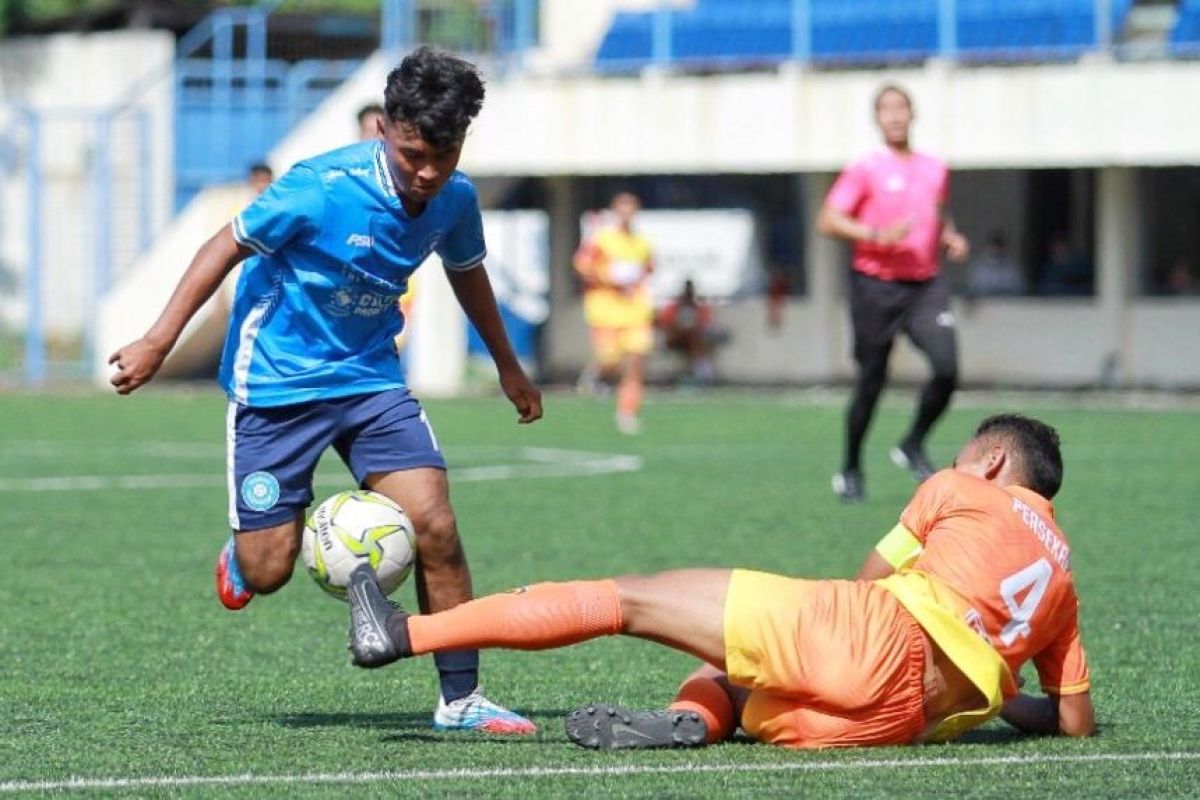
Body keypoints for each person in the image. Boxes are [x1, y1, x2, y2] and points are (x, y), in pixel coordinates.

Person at [108, 47, 543, 735]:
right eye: (411, 155)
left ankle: (460, 698)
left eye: (445, 154)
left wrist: (507, 366)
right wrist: (158, 341)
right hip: (276, 384)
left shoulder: (454, 201)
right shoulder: (319, 186)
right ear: (385, 131)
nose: (427, 173)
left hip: (370, 379)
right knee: (270, 567)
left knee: (436, 525)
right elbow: (224, 245)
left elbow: (469, 272)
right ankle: (245, 556)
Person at [346, 414, 1094, 750]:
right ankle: (696, 723)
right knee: (729, 673)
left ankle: (406, 632)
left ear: (992, 463)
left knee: (630, 597)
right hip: (890, 725)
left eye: (966, 456)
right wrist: (997, 688)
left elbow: (869, 580)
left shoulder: (964, 490)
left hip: (867, 637)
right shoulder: (1062, 583)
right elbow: (1072, 724)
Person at [817, 84, 970, 503]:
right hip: (875, 285)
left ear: (912, 114)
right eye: (887, 109)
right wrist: (876, 235)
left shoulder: (934, 167)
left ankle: (913, 442)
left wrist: (950, 236)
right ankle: (850, 467)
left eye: (901, 107)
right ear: (877, 119)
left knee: (947, 366)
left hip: (925, 285)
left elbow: (937, 213)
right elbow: (828, 220)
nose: (895, 116)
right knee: (871, 381)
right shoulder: (865, 169)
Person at [573, 191, 655, 434]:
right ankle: (595, 376)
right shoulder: (602, 240)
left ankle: (627, 412)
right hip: (606, 311)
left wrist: (635, 280)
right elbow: (582, 266)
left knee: (636, 362)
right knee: (609, 360)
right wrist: (610, 279)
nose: (627, 214)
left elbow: (649, 268)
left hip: (635, 311)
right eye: (622, 209)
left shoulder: (642, 242)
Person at [657, 279, 724, 384]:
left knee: (699, 342)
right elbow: (664, 324)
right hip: (676, 340)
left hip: (695, 340)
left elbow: (706, 325)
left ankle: (701, 375)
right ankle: (695, 374)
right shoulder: (673, 308)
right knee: (692, 339)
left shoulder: (699, 308)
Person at [966, 230, 1025, 297]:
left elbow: (1017, 291)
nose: (995, 249)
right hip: (984, 305)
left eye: (998, 245)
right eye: (993, 244)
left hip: (1005, 305)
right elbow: (973, 291)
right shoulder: (978, 267)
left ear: (1003, 247)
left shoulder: (1011, 267)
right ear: (987, 246)